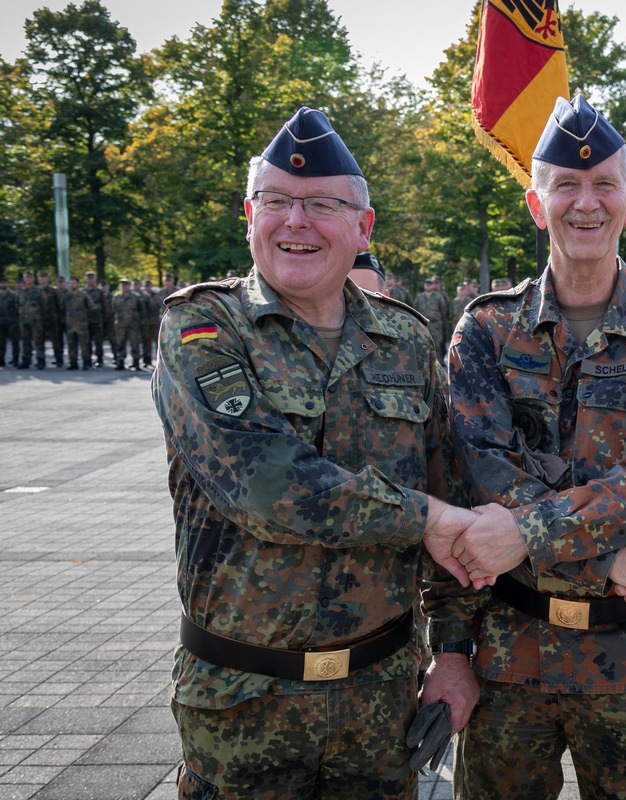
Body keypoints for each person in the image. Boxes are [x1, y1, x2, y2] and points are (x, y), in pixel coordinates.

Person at [151, 106, 483, 798]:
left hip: (381, 701)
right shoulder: (203, 328)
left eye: (321, 205)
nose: (295, 221)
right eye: (276, 201)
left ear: (363, 228)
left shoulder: (408, 342)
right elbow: (269, 488)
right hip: (243, 704)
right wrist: (425, 518)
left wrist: (453, 654)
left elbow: (453, 504)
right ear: (249, 214)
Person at [445, 94, 626, 800]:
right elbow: (482, 470)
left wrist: (529, 532)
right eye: (565, 184)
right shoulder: (485, 331)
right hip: (509, 655)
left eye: (602, 186)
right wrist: (613, 558)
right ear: (538, 205)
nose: (584, 202)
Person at [62, 276, 95, 370]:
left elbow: (92, 307)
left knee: (84, 345)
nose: (72, 285)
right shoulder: (67, 296)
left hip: (82, 325)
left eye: (74, 283)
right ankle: (73, 363)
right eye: (70, 283)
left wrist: (85, 317)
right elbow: (62, 308)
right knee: (71, 345)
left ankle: (86, 362)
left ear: (78, 284)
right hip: (70, 325)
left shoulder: (83, 295)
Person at [110, 278, 143, 371]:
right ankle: (120, 362)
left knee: (135, 344)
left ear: (129, 286)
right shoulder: (116, 298)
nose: (124, 287)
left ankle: (136, 362)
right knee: (120, 344)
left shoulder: (136, 297)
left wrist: (140, 322)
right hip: (120, 326)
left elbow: (142, 310)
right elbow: (113, 310)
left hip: (133, 325)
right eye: (122, 285)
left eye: (126, 285)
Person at [414, 276, 451, 357]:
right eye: (426, 284)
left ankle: (438, 365)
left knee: (436, 344)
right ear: (424, 286)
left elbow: (443, 311)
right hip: (423, 324)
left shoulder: (438, 296)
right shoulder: (419, 297)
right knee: (423, 344)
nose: (428, 286)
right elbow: (415, 310)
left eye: (429, 284)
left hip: (436, 324)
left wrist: (443, 325)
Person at [17, 270, 46, 370]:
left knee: (38, 341)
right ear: (24, 279)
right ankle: (26, 360)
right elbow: (17, 305)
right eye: (26, 277)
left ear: (33, 279)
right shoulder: (20, 291)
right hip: (24, 321)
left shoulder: (39, 291)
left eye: (30, 277)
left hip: (36, 321)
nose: (28, 279)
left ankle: (40, 360)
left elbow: (44, 305)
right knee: (25, 342)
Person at [0, 277, 17, 368]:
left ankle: (15, 359)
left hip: (12, 322)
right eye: (1, 283)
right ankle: (1, 360)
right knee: (1, 342)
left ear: (8, 284)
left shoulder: (13, 295)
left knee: (15, 341)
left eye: (4, 283)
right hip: (1, 323)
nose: (2, 285)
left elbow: (17, 307)